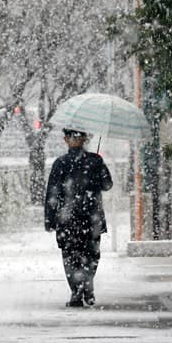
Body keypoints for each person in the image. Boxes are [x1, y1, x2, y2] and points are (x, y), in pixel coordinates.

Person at [44, 127, 113, 307]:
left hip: (68, 218)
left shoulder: (61, 163)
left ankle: (77, 291)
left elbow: (52, 193)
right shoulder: (95, 161)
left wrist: (50, 219)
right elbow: (107, 185)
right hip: (92, 217)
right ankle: (87, 287)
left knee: (70, 256)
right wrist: (97, 172)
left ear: (66, 140)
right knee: (91, 255)